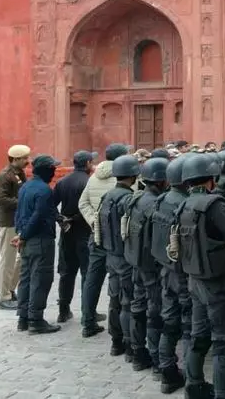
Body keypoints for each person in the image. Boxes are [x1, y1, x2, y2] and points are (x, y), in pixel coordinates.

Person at [177, 153, 225, 399]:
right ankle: (223, 392)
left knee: (199, 336)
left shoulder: (184, 204)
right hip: (218, 281)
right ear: (210, 179)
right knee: (222, 340)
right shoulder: (214, 204)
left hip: (195, 279)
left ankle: (194, 385)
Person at [79, 143, 130, 338]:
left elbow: (83, 203)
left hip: (98, 235)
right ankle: (121, 329)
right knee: (119, 280)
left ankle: (88, 322)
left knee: (92, 279)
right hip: (119, 238)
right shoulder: (126, 177)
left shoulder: (94, 177)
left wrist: (95, 221)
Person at [124, 157, 169, 374]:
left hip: (137, 261)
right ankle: (156, 360)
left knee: (138, 305)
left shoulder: (137, 198)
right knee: (155, 310)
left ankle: (138, 353)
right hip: (151, 265)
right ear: (160, 181)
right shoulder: (155, 204)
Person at [150, 154, 190, 395]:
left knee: (169, 322)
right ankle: (193, 377)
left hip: (166, 270)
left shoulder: (161, 200)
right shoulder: (185, 204)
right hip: (183, 273)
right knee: (188, 325)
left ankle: (167, 372)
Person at [99, 154, 142, 360]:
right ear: (133, 176)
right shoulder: (128, 199)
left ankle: (116, 342)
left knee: (114, 300)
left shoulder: (107, 196)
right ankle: (129, 344)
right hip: (125, 257)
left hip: (111, 255)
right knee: (127, 303)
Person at [14, 154, 62, 333]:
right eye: (53, 168)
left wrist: (20, 234)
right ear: (47, 170)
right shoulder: (44, 190)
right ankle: (36, 319)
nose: (54, 171)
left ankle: (23, 318)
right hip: (40, 239)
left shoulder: (25, 186)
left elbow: (19, 213)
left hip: (26, 239)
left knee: (26, 279)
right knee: (40, 279)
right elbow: (38, 215)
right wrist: (24, 235)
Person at [54, 150, 97, 323]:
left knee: (66, 273)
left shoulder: (62, 182)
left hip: (67, 233)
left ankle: (63, 310)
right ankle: (88, 312)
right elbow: (90, 208)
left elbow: (51, 205)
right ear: (87, 163)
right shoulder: (89, 182)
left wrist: (62, 219)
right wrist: (75, 219)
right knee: (87, 273)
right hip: (85, 232)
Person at [0, 144, 30, 310]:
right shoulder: (4, 176)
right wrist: (22, 202)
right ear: (15, 159)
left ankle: (7, 287)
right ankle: (3, 297)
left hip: (18, 221)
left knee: (21, 258)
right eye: (24, 158)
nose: (27, 161)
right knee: (7, 260)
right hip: (8, 222)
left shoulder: (19, 173)